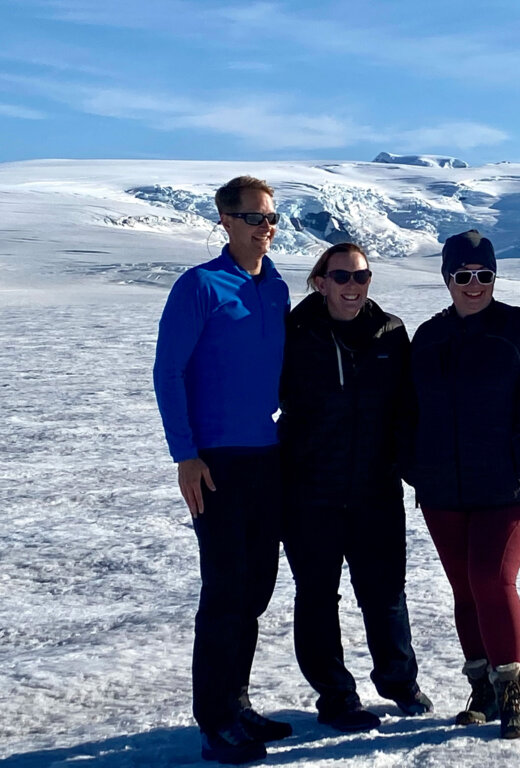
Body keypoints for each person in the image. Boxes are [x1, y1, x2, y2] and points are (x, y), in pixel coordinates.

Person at [153, 175, 292, 764]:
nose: (266, 228)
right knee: (225, 589)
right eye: (255, 217)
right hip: (215, 463)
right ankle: (215, 722)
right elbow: (168, 372)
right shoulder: (199, 286)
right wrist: (185, 453)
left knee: (256, 587)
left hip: (268, 458)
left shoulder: (277, 287)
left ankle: (236, 703)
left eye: (271, 218)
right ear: (226, 221)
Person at [407, 230, 520, 739]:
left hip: (510, 488)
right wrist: (418, 468)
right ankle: (483, 688)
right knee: (465, 588)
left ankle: (514, 691)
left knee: (492, 578)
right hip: (444, 489)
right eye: (463, 275)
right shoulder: (428, 336)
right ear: (447, 278)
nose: (474, 285)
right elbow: (406, 411)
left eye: (484, 275)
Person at [277, 242, 432, 732]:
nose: (352, 286)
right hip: (310, 492)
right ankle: (336, 695)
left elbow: (408, 409)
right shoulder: (294, 333)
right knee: (318, 595)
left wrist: (408, 465)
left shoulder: (391, 333)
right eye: (341, 277)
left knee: (385, 592)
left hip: (376, 489)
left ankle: (399, 682)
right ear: (320, 281)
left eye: (361, 277)